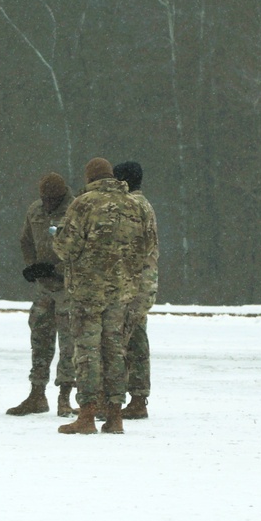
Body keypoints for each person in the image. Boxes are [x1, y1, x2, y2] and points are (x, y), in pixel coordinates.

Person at [52, 158, 153, 434]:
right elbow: (148, 247)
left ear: (90, 177)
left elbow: (65, 246)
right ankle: (115, 416)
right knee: (114, 352)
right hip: (122, 293)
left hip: (88, 292)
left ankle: (87, 414)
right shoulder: (134, 204)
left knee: (87, 352)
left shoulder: (84, 203)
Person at [7, 172, 78, 417]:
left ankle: (65, 396)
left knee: (69, 345)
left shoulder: (75, 211)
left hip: (68, 288)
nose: (47, 203)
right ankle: (37, 394)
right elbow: (25, 240)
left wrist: (57, 269)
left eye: (52, 199)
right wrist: (33, 266)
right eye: (44, 198)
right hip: (44, 289)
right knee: (40, 340)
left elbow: (82, 252)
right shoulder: (35, 210)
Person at [114, 161, 159, 419]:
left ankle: (115, 400)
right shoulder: (145, 204)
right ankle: (138, 397)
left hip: (134, 283)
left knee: (120, 340)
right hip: (145, 281)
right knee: (138, 339)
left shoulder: (131, 206)